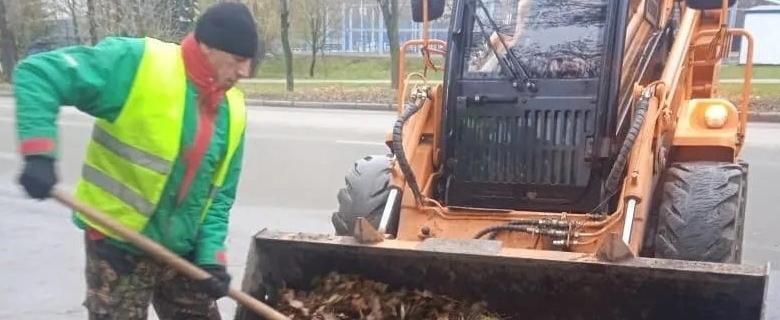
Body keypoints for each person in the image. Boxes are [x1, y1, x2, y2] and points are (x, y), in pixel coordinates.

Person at [13, 2, 259, 319]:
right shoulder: (139, 63)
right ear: (207, 46)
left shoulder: (233, 110)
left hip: (180, 252)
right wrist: (39, 152)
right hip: (118, 246)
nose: (244, 72)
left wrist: (212, 255)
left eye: (248, 61)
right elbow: (38, 74)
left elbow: (219, 195)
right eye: (238, 60)